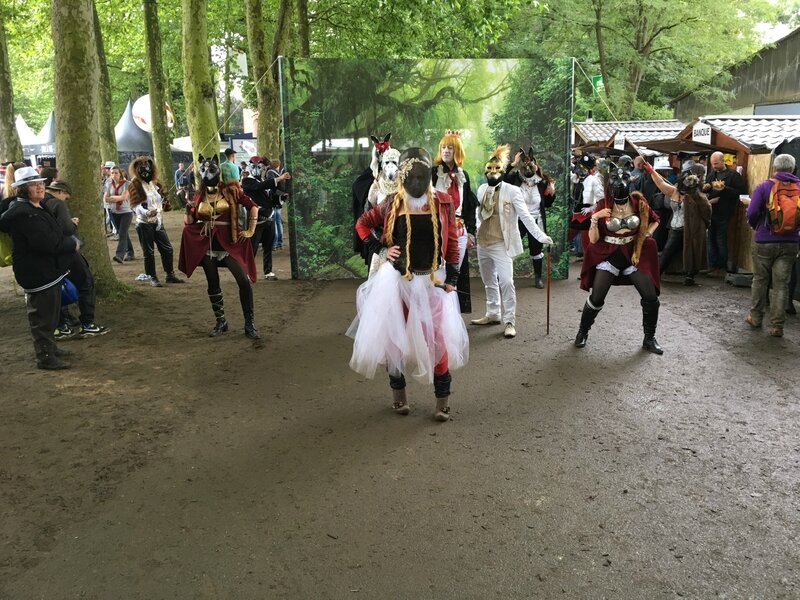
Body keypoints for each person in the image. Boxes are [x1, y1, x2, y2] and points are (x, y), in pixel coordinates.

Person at [348, 147, 467, 421]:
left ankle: (442, 402)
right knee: (395, 339)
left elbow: (451, 244)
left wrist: (453, 278)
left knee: (438, 339)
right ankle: (399, 396)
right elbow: (363, 224)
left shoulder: (444, 202)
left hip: (432, 282)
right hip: (397, 283)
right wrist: (380, 249)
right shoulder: (391, 202)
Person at [574, 162, 663, 354]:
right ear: (608, 182)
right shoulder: (601, 204)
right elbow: (593, 239)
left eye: (624, 177)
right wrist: (595, 218)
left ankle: (649, 338)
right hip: (609, 254)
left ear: (630, 179)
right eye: (614, 178)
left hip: (633, 254)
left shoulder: (638, 202)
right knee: (597, 298)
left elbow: (656, 220)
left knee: (650, 297)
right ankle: (582, 332)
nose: (619, 182)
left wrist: (645, 234)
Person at [471, 144, 554, 338]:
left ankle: (510, 321)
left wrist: (541, 236)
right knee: (489, 281)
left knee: (507, 282)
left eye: (496, 169)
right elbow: (477, 214)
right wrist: (472, 231)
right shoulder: (482, 189)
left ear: (502, 170)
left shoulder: (512, 191)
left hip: (501, 243)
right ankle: (493, 314)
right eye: (489, 169)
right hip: (483, 242)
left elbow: (525, 216)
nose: (492, 172)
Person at [0, 167, 79, 369]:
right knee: (42, 316)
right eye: (34, 185)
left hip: (47, 269)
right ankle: (45, 356)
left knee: (52, 313)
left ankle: (50, 348)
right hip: (36, 271)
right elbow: (46, 243)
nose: (40, 187)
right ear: (22, 189)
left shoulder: (37, 207)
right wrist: (72, 244)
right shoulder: (24, 214)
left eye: (41, 183)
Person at [178, 155, 262, 339]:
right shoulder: (199, 194)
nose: (207, 172)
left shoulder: (231, 190)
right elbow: (190, 221)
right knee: (213, 283)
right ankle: (221, 321)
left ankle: (249, 323)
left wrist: (250, 230)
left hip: (230, 242)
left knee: (243, 281)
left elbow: (253, 206)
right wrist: (187, 208)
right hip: (208, 244)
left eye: (211, 169)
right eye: (204, 169)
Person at [44, 180, 109, 339]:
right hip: (67, 251)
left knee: (56, 287)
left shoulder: (39, 204)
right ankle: (88, 324)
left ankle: (61, 326)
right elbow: (67, 229)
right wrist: (73, 224)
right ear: (60, 192)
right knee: (86, 282)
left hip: (48, 255)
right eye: (66, 197)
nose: (66, 200)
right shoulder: (57, 205)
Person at [744, 153, 800, 338]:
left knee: (760, 279)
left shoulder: (765, 186)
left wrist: (756, 226)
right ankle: (777, 326)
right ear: (793, 169)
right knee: (781, 284)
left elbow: (752, 212)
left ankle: (756, 317)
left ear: (774, 168)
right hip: (791, 242)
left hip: (764, 240)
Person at [432, 129, 477, 312]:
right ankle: (435, 312)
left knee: (454, 273)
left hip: (458, 229)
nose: (446, 151)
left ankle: (451, 315)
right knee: (436, 270)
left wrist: (471, 231)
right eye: (443, 147)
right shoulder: (432, 173)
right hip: (435, 228)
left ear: (457, 150)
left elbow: (469, 206)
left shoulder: (463, 175)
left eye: (450, 147)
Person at [649, 165, 712, 286]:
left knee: (691, 251)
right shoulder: (674, 191)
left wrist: (703, 225)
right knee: (668, 250)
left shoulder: (697, 197)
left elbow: (707, 211)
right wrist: (652, 171)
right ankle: (656, 273)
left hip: (692, 228)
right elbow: (661, 183)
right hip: (676, 227)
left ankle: (690, 276)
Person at [127, 156, 184, 287]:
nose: (145, 171)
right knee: (149, 252)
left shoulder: (155, 183)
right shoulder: (134, 184)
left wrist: (165, 202)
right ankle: (152, 277)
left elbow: (161, 199)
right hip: (144, 223)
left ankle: (170, 274)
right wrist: (147, 212)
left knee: (167, 249)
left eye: (147, 167)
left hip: (158, 222)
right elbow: (135, 205)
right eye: (141, 168)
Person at [504, 148, 556, 289]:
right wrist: (513, 164)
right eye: (524, 166)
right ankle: (505, 277)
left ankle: (538, 277)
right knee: (511, 247)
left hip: (535, 220)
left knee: (536, 249)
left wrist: (551, 193)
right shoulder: (514, 180)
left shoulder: (542, 182)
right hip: (518, 220)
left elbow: (548, 204)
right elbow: (500, 178)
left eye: (530, 165)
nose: (528, 168)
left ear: (535, 165)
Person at [242, 156, 291, 280]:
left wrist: (281, 197)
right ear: (249, 167)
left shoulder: (264, 180)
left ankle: (268, 271)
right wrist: (280, 178)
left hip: (269, 218)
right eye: (254, 166)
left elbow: (272, 196)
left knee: (268, 247)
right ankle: (248, 272)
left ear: (263, 167)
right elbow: (260, 187)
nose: (258, 169)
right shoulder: (247, 181)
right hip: (256, 221)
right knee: (252, 248)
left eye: (260, 166)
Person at [704, 151, 746, 276]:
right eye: (712, 164)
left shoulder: (733, 175)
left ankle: (721, 267)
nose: (714, 166)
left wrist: (724, 189)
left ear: (723, 161)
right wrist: (706, 188)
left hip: (724, 213)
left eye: (716, 163)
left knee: (721, 240)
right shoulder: (712, 174)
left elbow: (741, 193)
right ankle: (712, 265)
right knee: (710, 239)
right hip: (711, 211)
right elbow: (707, 190)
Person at [104, 166, 135, 263]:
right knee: (123, 233)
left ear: (120, 174)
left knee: (122, 233)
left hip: (126, 212)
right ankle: (130, 252)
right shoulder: (109, 184)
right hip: (114, 212)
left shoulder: (127, 184)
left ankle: (119, 255)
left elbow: (123, 197)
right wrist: (115, 197)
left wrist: (112, 197)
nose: (113, 175)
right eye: (112, 173)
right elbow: (106, 198)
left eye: (116, 173)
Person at [267, 158, 288, 250]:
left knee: (274, 222)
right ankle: (280, 242)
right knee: (278, 221)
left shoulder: (270, 173)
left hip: (273, 199)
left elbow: (271, 186)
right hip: (280, 199)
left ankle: (274, 243)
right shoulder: (281, 173)